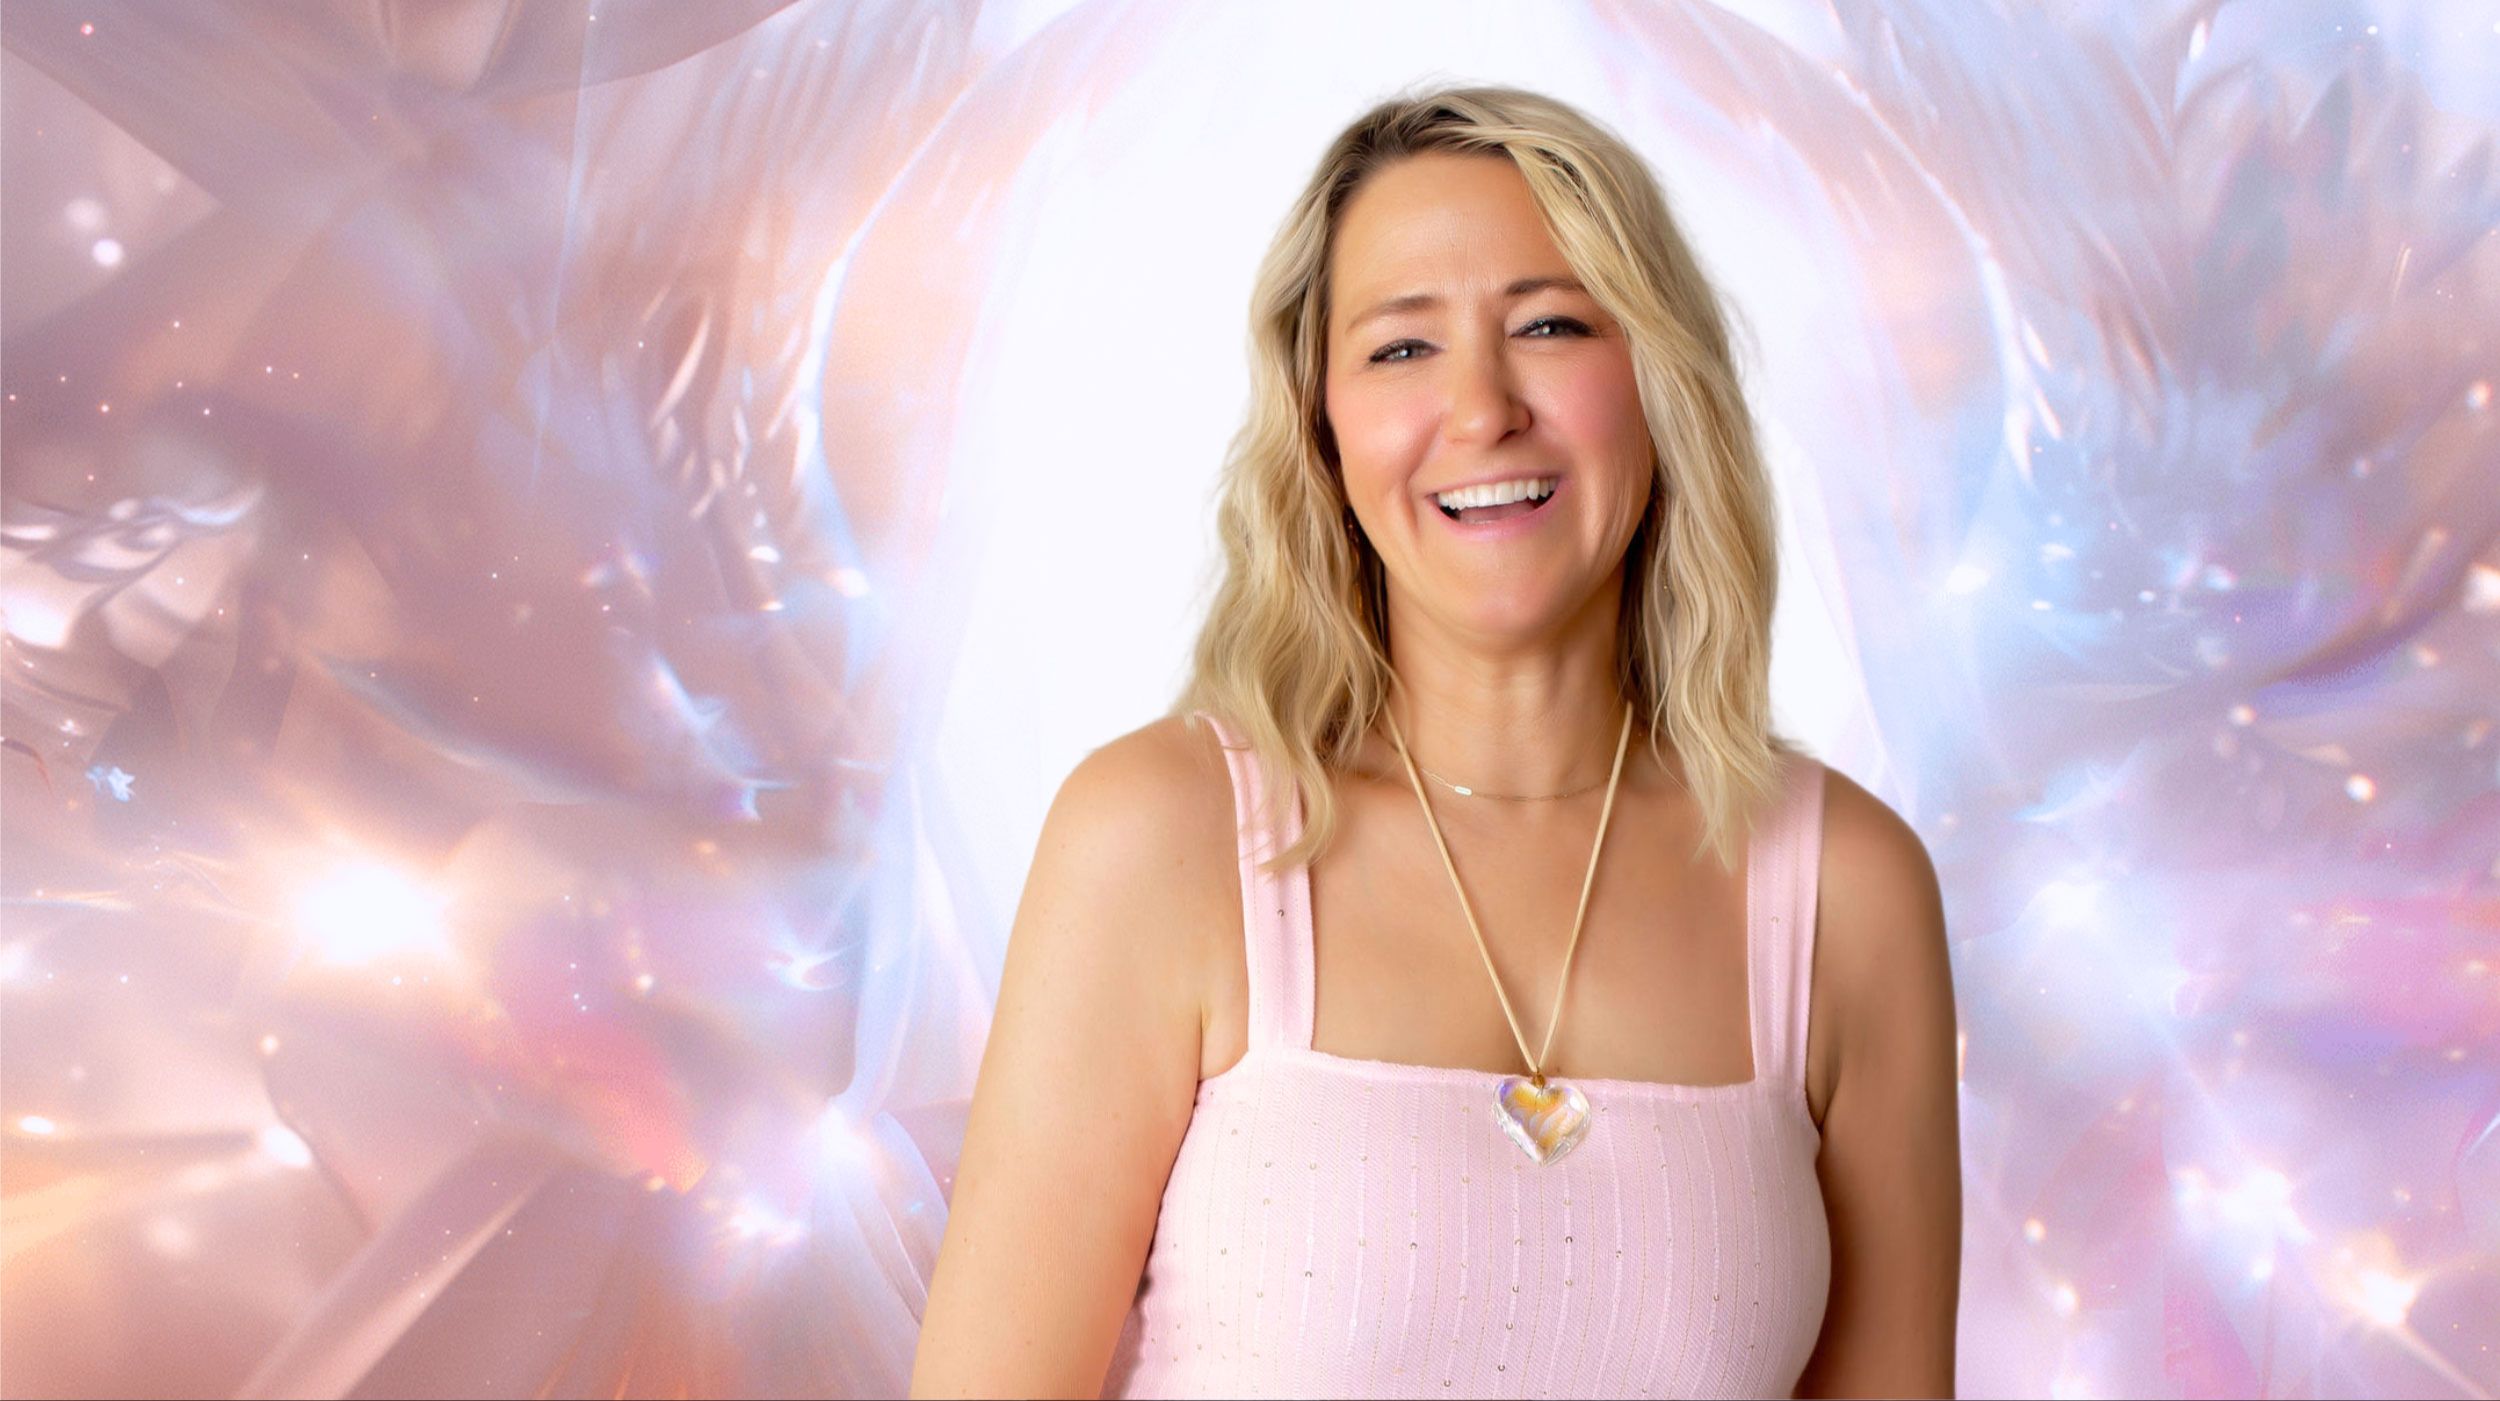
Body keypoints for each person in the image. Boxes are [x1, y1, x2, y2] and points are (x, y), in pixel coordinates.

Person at [909, 83, 1959, 1399]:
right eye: (1402, 347)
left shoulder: (1847, 887)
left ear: (1661, 380)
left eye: (1552, 324)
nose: (1480, 410)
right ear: (1322, 424)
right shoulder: (1158, 840)